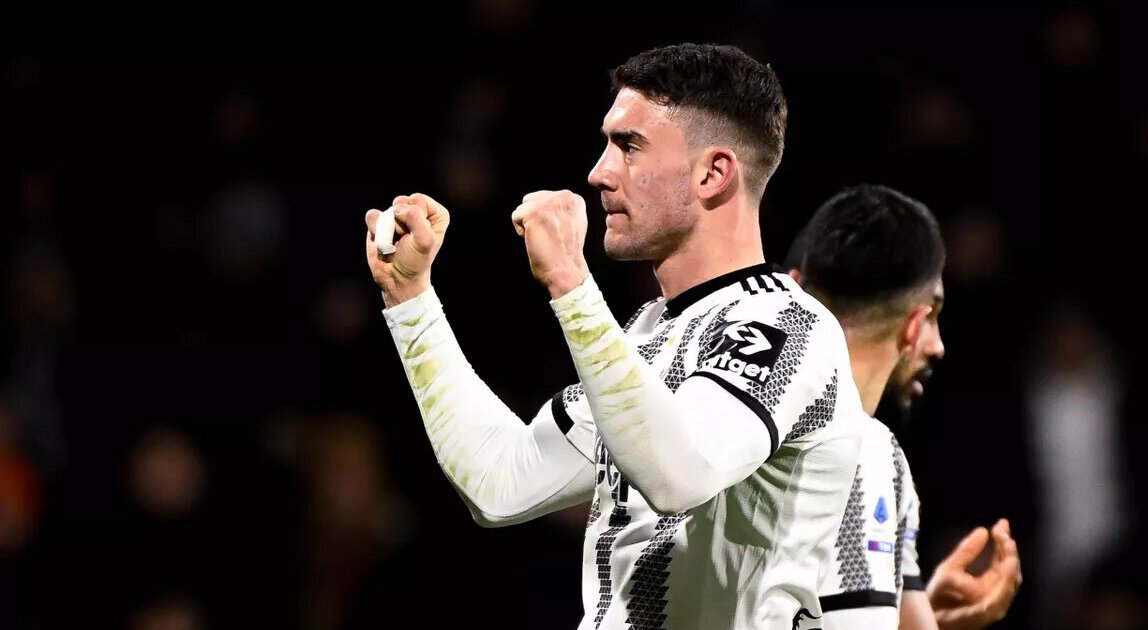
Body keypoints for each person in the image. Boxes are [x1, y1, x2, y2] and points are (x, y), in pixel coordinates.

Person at [363, 43, 867, 628]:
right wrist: (411, 301)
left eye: (629, 147)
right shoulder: (644, 335)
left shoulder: (788, 326)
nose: (599, 173)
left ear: (713, 173)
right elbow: (501, 481)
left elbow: (681, 476)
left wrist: (571, 283)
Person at [784, 184, 1022, 629]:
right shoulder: (865, 452)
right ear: (914, 324)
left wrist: (924, 615)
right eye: (933, 315)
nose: (937, 346)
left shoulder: (886, 464)